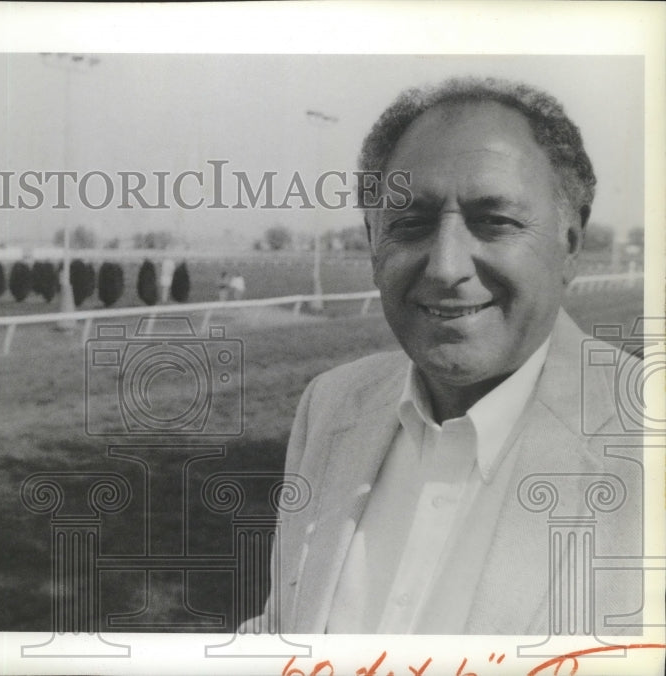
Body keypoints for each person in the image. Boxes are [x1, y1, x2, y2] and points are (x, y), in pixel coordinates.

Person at [244, 77, 643, 635]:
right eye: (410, 224)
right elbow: (284, 631)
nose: (445, 266)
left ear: (570, 242)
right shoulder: (331, 405)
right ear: (373, 242)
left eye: (495, 222)